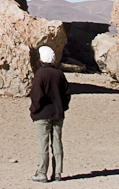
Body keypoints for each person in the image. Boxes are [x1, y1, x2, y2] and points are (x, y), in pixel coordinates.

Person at [29, 45, 70, 182]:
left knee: (43, 144)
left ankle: (42, 173)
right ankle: (58, 172)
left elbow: (36, 96)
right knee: (57, 143)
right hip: (58, 114)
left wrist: (34, 110)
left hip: (43, 115)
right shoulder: (60, 74)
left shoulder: (40, 74)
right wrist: (62, 108)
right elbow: (66, 95)